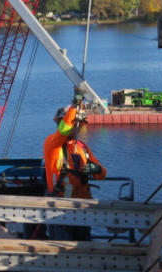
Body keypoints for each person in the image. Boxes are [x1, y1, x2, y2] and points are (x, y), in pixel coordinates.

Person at [43, 103, 107, 241]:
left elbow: (101, 175)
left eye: (78, 124)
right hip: (60, 206)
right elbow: (63, 131)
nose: (75, 127)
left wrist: (97, 169)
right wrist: (74, 106)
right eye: (73, 123)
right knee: (62, 246)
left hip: (82, 206)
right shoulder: (52, 145)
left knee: (83, 244)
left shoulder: (82, 148)